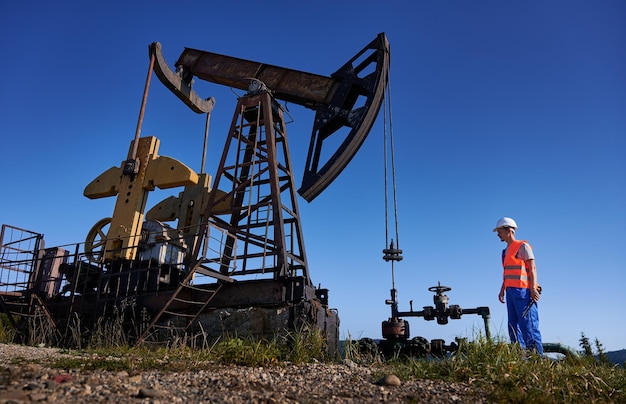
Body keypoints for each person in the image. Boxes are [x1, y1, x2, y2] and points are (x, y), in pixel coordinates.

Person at [494, 217, 543, 355]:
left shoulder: (523, 246)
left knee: (529, 327)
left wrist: (533, 288)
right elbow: (508, 272)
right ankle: (521, 360)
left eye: (499, 231)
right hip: (511, 292)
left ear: (508, 230)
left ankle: (537, 361)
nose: (498, 234)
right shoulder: (504, 252)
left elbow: (532, 268)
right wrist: (502, 289)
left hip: (524, 292)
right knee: (513, 327)